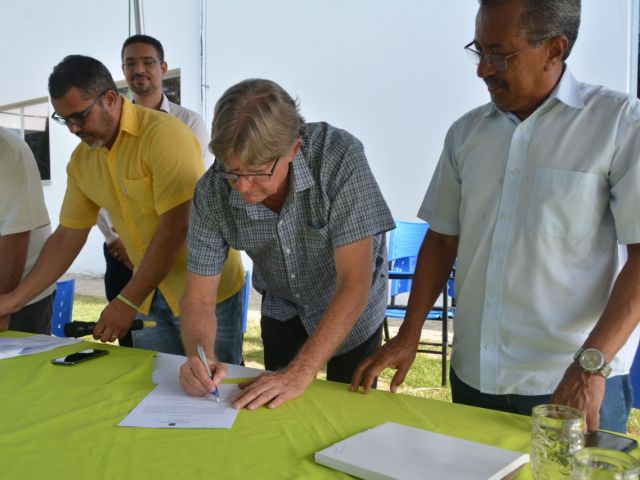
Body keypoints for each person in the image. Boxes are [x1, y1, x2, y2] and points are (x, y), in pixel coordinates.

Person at [351, 0, 640, 433]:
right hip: (474, 379)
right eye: (478, 50)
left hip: (570, 384)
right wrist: (409, 333)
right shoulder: (466, 134)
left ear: (554, 50)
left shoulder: (618, 124)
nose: (482, 70)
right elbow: (443, 238)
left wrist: (589, 368)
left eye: (499, 54)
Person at [0, 55, 245, 357]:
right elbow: (68, 236)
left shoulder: (163, 135)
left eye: (79, 117)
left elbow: (177, 227)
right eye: (64, 120)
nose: (73, 129)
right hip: (147, 295)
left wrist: (127, 301)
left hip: (204, 293)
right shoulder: (81, 162)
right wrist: (13, 300)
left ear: (111, 99)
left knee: (215, 388)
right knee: (155, 388)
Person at [178, 78, 395, 410]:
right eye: (232, 172)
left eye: (258, 173)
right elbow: (198, 298)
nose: (243, 188)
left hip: (351, 310)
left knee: (350, 412)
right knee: (274, 406)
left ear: (294, 149)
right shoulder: (211, 192)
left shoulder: (339, 158)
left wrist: (301, 372)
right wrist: (199, 356)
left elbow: (355, 282)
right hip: (283, 306)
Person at [0, 126, 55, 334]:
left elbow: (15, 236)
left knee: (21, 365)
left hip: (19, 297)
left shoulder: (9, 150)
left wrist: (3, 309)